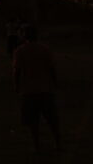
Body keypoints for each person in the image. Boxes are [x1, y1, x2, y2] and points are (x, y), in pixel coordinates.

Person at [13, 25, 61, 153]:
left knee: (33, 121)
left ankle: (37, 146)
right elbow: (52, 68)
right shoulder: (45, 49)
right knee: (51, 119)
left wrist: (16, 86)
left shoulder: (20, 51)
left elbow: (17, 71)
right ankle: (58, 143)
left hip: (29, 90)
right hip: (45, 89)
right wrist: (55, 83)